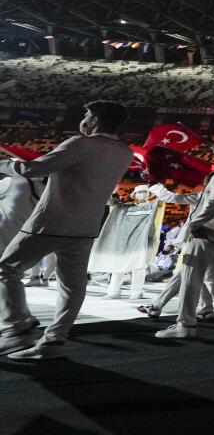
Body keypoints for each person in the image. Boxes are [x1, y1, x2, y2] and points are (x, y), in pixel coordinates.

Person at [0, 100, 134, 360]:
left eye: (86, 115)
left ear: (94, 120)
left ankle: (17, 328)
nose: (82, 120)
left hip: (51, 222)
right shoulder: (124, 152)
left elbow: (31, 169)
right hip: (85, 228)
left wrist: (4, 164)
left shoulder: (80, 144)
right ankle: (54, 341)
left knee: (6, 269)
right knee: (72, 287)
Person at [146, 139, 214, 339]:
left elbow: (213, 204)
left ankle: (185, 324)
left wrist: (193, 226)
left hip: (206, 234)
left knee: (190, 280)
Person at [92, 189, 161, 300]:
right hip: (125, 240)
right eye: (139, 192)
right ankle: (114, 291)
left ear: (149, 194)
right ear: (134, 195)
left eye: (145, 191)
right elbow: (110, 202)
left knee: (138, 267)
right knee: (118, 264)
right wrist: (110, 189)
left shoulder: (153, 206)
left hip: (142, 240)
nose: (143, 193)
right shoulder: (127, 207)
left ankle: (136, 292)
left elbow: (162, 199)